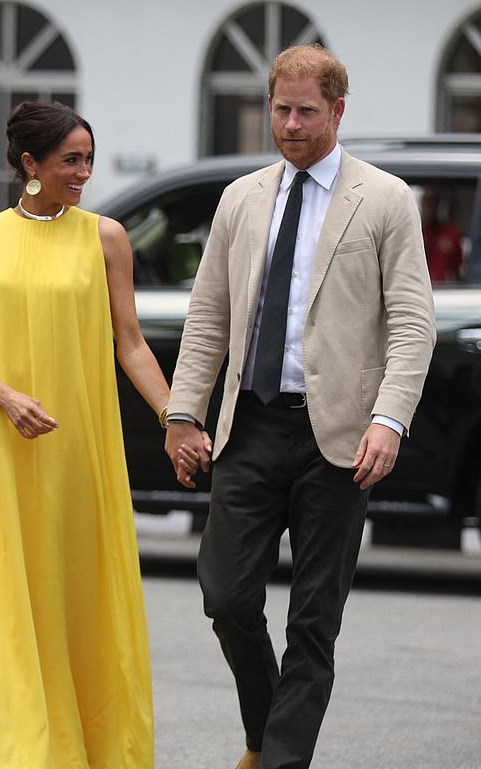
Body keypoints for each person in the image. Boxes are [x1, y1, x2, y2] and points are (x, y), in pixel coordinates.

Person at [164, 45, 436, 769]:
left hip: (339, 439)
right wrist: (183, 412)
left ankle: (281, 760)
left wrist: (389, 418)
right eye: (280, 109)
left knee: (313, 621)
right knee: (225, 597)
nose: (289, 123)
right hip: (247, 425)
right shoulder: (242, 197)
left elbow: (413, 320)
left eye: (305, 111)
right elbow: (209, 315)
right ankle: (266, 728)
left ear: (337, 110)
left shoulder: (383, 199)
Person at [0, 100, 201, 768]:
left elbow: (131, 344)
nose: (83, 172)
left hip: (76, 445)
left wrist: (177, 417)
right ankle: (12, 749)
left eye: (87, 159)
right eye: (69, 160)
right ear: (30, 164)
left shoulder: (106, 237)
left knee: (75, 594)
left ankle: (89, 747)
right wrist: (5, 396)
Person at [420, 186, 464, 282]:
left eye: (433, 202)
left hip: (445, 292)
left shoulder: (451, 234)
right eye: (426, 202)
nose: (429, 208)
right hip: (418, 289)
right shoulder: (414, 232)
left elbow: (458, 271)